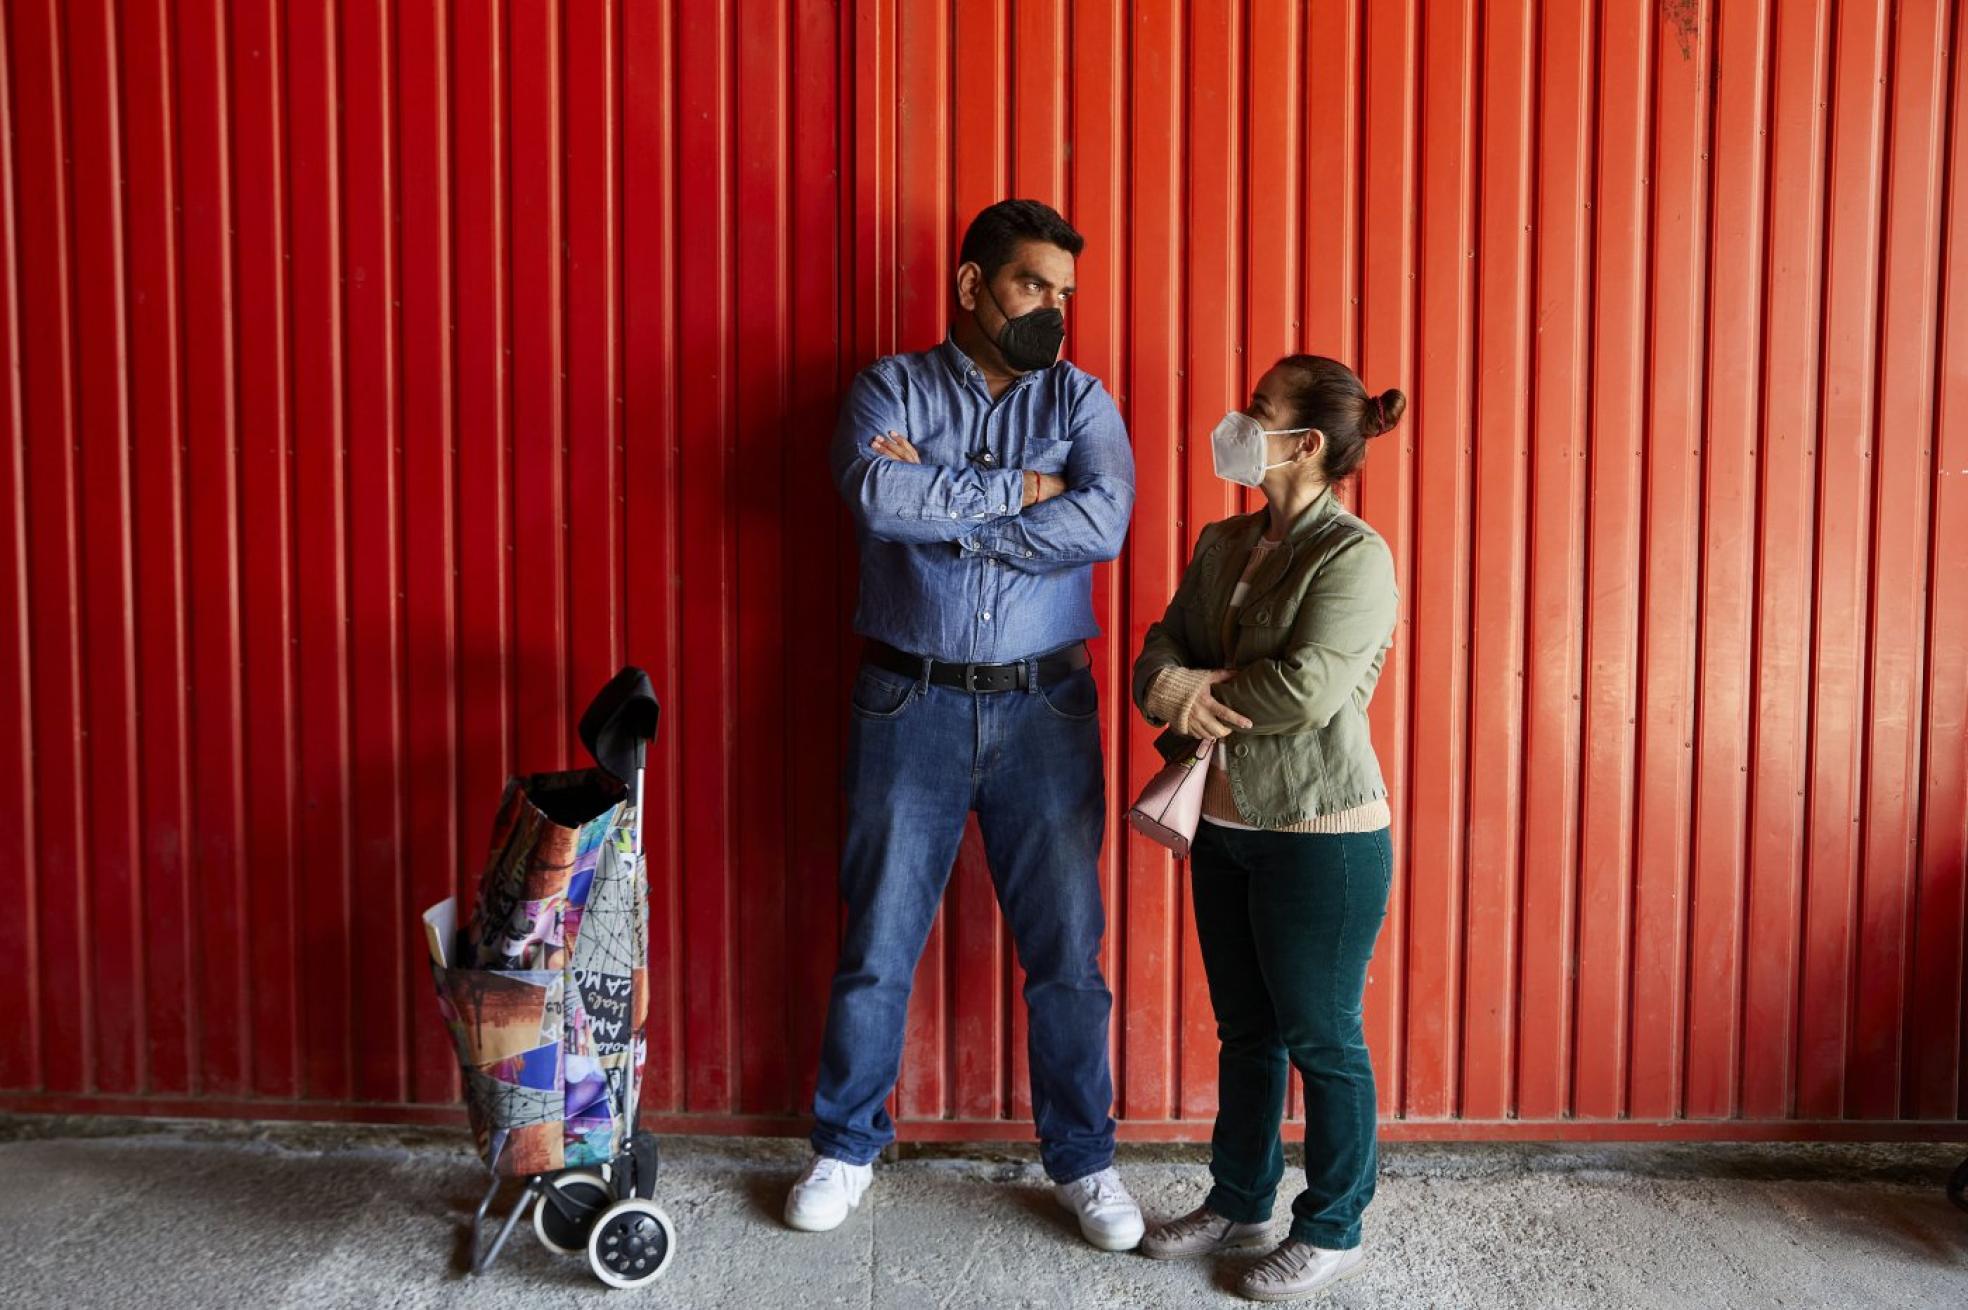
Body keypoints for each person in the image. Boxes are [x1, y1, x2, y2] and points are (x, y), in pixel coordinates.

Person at [785, 199, 1142, 1251]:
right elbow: (878, 496)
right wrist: (1024, 496)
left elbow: (1104, 519)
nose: (1055, 310)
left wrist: (955, 503)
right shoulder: (887, 388)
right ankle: (846, 1144)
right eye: (1034, 284)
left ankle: (1085, 1159)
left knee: (1070, 951)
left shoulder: (1081, 400)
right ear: (971, 283)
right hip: (911, 700)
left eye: (1066, 293)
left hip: (1047, 707)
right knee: (877, 941)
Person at [1130, 355, 1405, 1301]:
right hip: (1225, 826)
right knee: (1247, 1033)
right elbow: (1159, 648)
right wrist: (1173, 682)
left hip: (1322, 833)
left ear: (1308, 443)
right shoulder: (1223, 541)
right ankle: (1238, 1200)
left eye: (1258, 412)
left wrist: (1189, 691)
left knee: (1323, 1037)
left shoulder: (1354, 556)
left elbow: (1311, 687)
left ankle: (1333, 1225)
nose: (1239, 425)